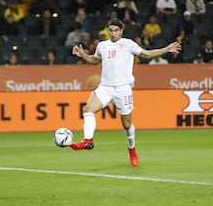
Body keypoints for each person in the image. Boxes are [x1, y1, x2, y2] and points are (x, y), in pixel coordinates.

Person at [70, 19, 181, 167]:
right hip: (106, 87)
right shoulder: (102, 45)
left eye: (116, 30)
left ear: (121, 31)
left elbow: (147, 54)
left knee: (127, 124)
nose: (113, 33)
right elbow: (95, 60)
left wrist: (166, 49)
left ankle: (132, 149)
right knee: (88, 110)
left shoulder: (129, 44)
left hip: (123, 88)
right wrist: (83, 55)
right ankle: (88, 140)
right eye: (111, 30)